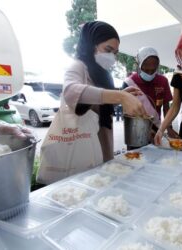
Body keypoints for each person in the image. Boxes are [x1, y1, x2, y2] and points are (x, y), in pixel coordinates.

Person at [62, 21, 146, 162]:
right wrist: (120, 96)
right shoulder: (78, 66)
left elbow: (99, 106)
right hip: (83, 146)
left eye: (115, 53)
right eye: (108, 50)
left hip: (103, 141)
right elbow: (70, 92)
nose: (112, 56)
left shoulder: (103, 73)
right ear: (91, 44)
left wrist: (122, 94)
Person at [122, 46, 177, 136]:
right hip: (135, 130)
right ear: (139, 65)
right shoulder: (129, 83)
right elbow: (127, 112)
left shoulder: (163, 81)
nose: (150, 73)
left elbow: (166, 107)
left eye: (153, 70)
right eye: (146, 70)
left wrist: (169, 127)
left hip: (156, 129)